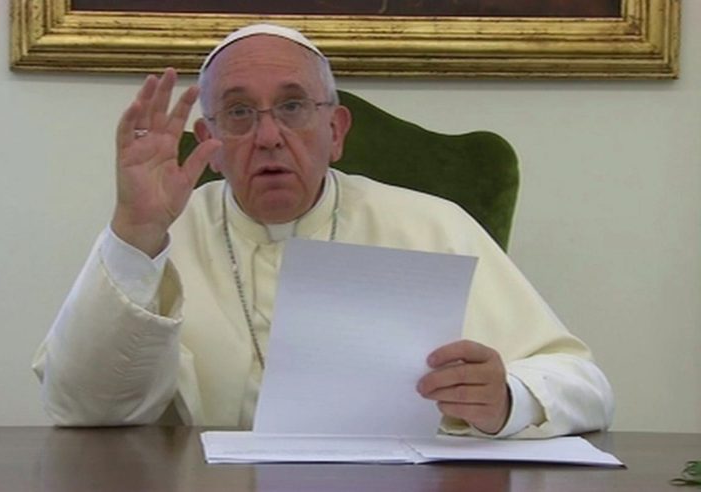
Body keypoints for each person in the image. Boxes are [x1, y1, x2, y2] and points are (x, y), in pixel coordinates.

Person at [32, 23, 613, 438]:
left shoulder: (432, 224)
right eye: (238, 113)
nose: (267, 137)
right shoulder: (161, 235)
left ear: (335, 131)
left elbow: (583, 385)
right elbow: (79, 407)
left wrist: (506, 397)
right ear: (209, 142)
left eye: (292, 108)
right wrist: (134, 230)